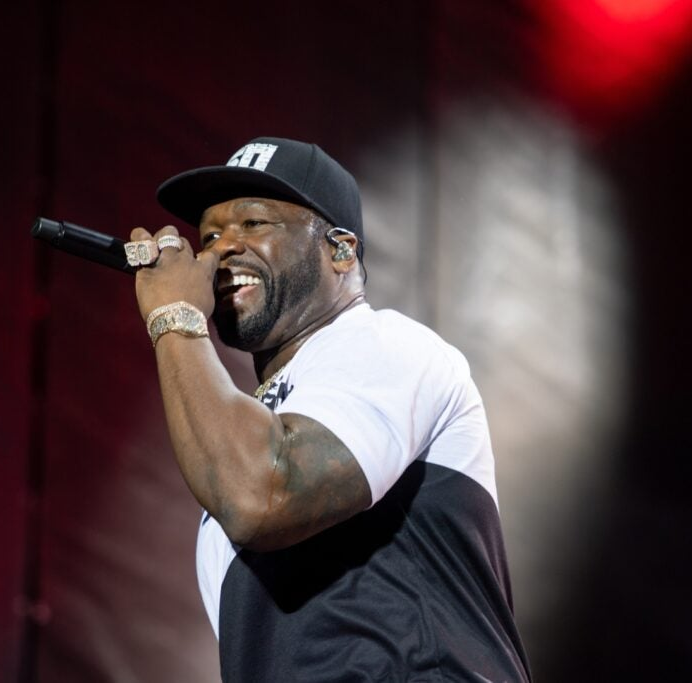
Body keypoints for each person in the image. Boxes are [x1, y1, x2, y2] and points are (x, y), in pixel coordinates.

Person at [128, 136, 531, 681]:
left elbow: (262, 495)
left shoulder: (390, 345)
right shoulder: (241, 431)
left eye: (254, 223)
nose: (221, 251)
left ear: (340, 250)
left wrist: (175, 317)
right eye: (211, 236)